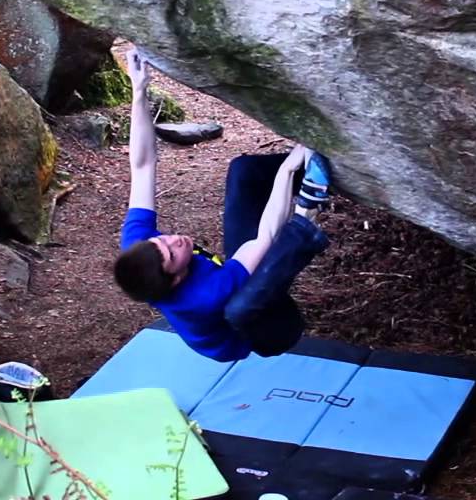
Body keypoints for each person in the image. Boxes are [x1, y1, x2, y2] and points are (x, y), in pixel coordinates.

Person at [112, 48, 333, 362]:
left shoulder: (138, 247)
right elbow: (265, 237)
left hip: (220, 279)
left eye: (161, 239)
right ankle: (308, 212)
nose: (173, 240)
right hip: (263, 333)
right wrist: (289, 167)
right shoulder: (205, 296)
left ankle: (321, 168)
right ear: (176, 279)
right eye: (172, 252)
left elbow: (142, 165)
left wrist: (139, 89)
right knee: (240, 307)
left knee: (243, 173)